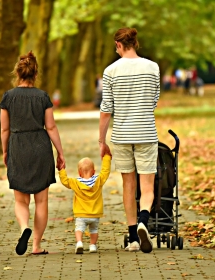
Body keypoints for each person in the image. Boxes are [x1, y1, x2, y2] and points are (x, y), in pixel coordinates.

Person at [98, 27, 160, 253]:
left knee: (128, 184)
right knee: (147, 185)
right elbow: (154, 99)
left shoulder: (111, 71)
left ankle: (133, 237)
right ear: (135, 43)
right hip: (146, 133)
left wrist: (101, 140)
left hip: (122, 135)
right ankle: (145, 220)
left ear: (119, 45)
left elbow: (106, 109)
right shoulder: (152, 67)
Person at [0, 51, 65, 256]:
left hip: (18, 146)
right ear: (35, 74)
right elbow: (51, 127)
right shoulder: (43, 96)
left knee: (21, 200)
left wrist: (5, 151)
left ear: (18, 73)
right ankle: (36, 245)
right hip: (40, 146)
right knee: (42, 201)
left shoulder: (8, 97)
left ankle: (23, 228)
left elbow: (4, 129)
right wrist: (60, 153)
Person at [59, 154, 111, 254]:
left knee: (79, 228)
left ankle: (79, 242)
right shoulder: (98, 180)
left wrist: (62, 169)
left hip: (81, 214)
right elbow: (106, 172)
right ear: (94, 172)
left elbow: (65, 181)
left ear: (79, 172)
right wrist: (106, 158)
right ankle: (92, 246)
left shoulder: (75, 182)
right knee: (94, 230)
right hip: (95, 214)